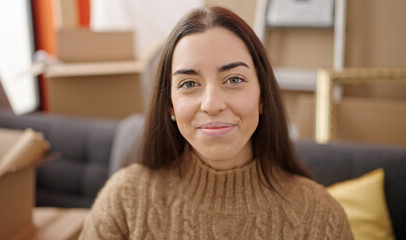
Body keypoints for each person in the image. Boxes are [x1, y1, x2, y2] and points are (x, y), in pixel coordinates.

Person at [79, 6, 353, 239]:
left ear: (262, 98)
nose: (212, 104)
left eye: (234, 80)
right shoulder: (123, 201)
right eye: (189, 83)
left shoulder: (320, 217)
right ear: (170, 105)